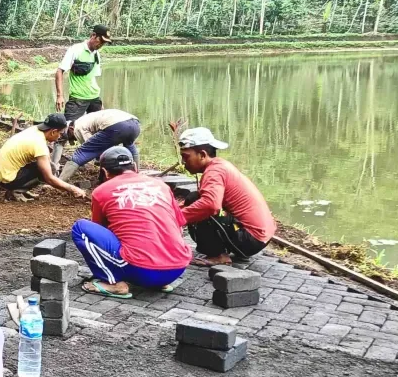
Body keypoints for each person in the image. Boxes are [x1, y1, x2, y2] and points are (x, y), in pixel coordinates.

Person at [71, 147, 192, 298]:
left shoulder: (101, 191)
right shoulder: (161, 186)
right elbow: (179, 225)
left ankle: (113, 284)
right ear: (134, 167)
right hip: (177, 268)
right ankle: (160, 281)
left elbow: (99, 229)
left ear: (105, 172)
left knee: (80, 228)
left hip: (142, 272)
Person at [178, 127, 276, 265]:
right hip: (260, 237)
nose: (183, 162)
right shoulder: (219, 166)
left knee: (206, 207)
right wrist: (172, 211)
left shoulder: (214, 172)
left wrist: (176, 219)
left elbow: (210, 205)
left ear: (202, 155)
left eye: (186, 157)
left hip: (251, 240)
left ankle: (218, 256)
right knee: (195, 198)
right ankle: (222, 250)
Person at [0, 114, 87, 201]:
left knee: (48, 165)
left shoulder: (35, 130)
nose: (60, 137)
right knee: (50, 169)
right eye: (60, 133)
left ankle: (21, 188)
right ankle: (17, 190)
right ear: (53, 132)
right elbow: (49, 178)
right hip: (7, 179)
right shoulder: (39, 144)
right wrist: (72, 189)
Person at [57, 108, 141, 183]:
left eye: (69, 135)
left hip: (116, 126)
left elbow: (91, 149)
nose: (73, 139)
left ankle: (59, 182)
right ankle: (136, 176)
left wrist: (97, 159)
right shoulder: (85, 119)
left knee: (80, 153)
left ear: (71, 128)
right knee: (131, 148)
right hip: (134, 123)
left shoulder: (77, 127)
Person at [54, 24, 111, 122]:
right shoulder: (75, 50)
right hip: (78, 99)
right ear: (93, 35)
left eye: (104, 43)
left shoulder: (96, 54)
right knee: (68, 129)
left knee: (97, 128)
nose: (101, 44)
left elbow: (92, 78)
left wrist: (99, 103)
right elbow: (60, 71)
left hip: (94, 98)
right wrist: (60, 96)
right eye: (100, 40)